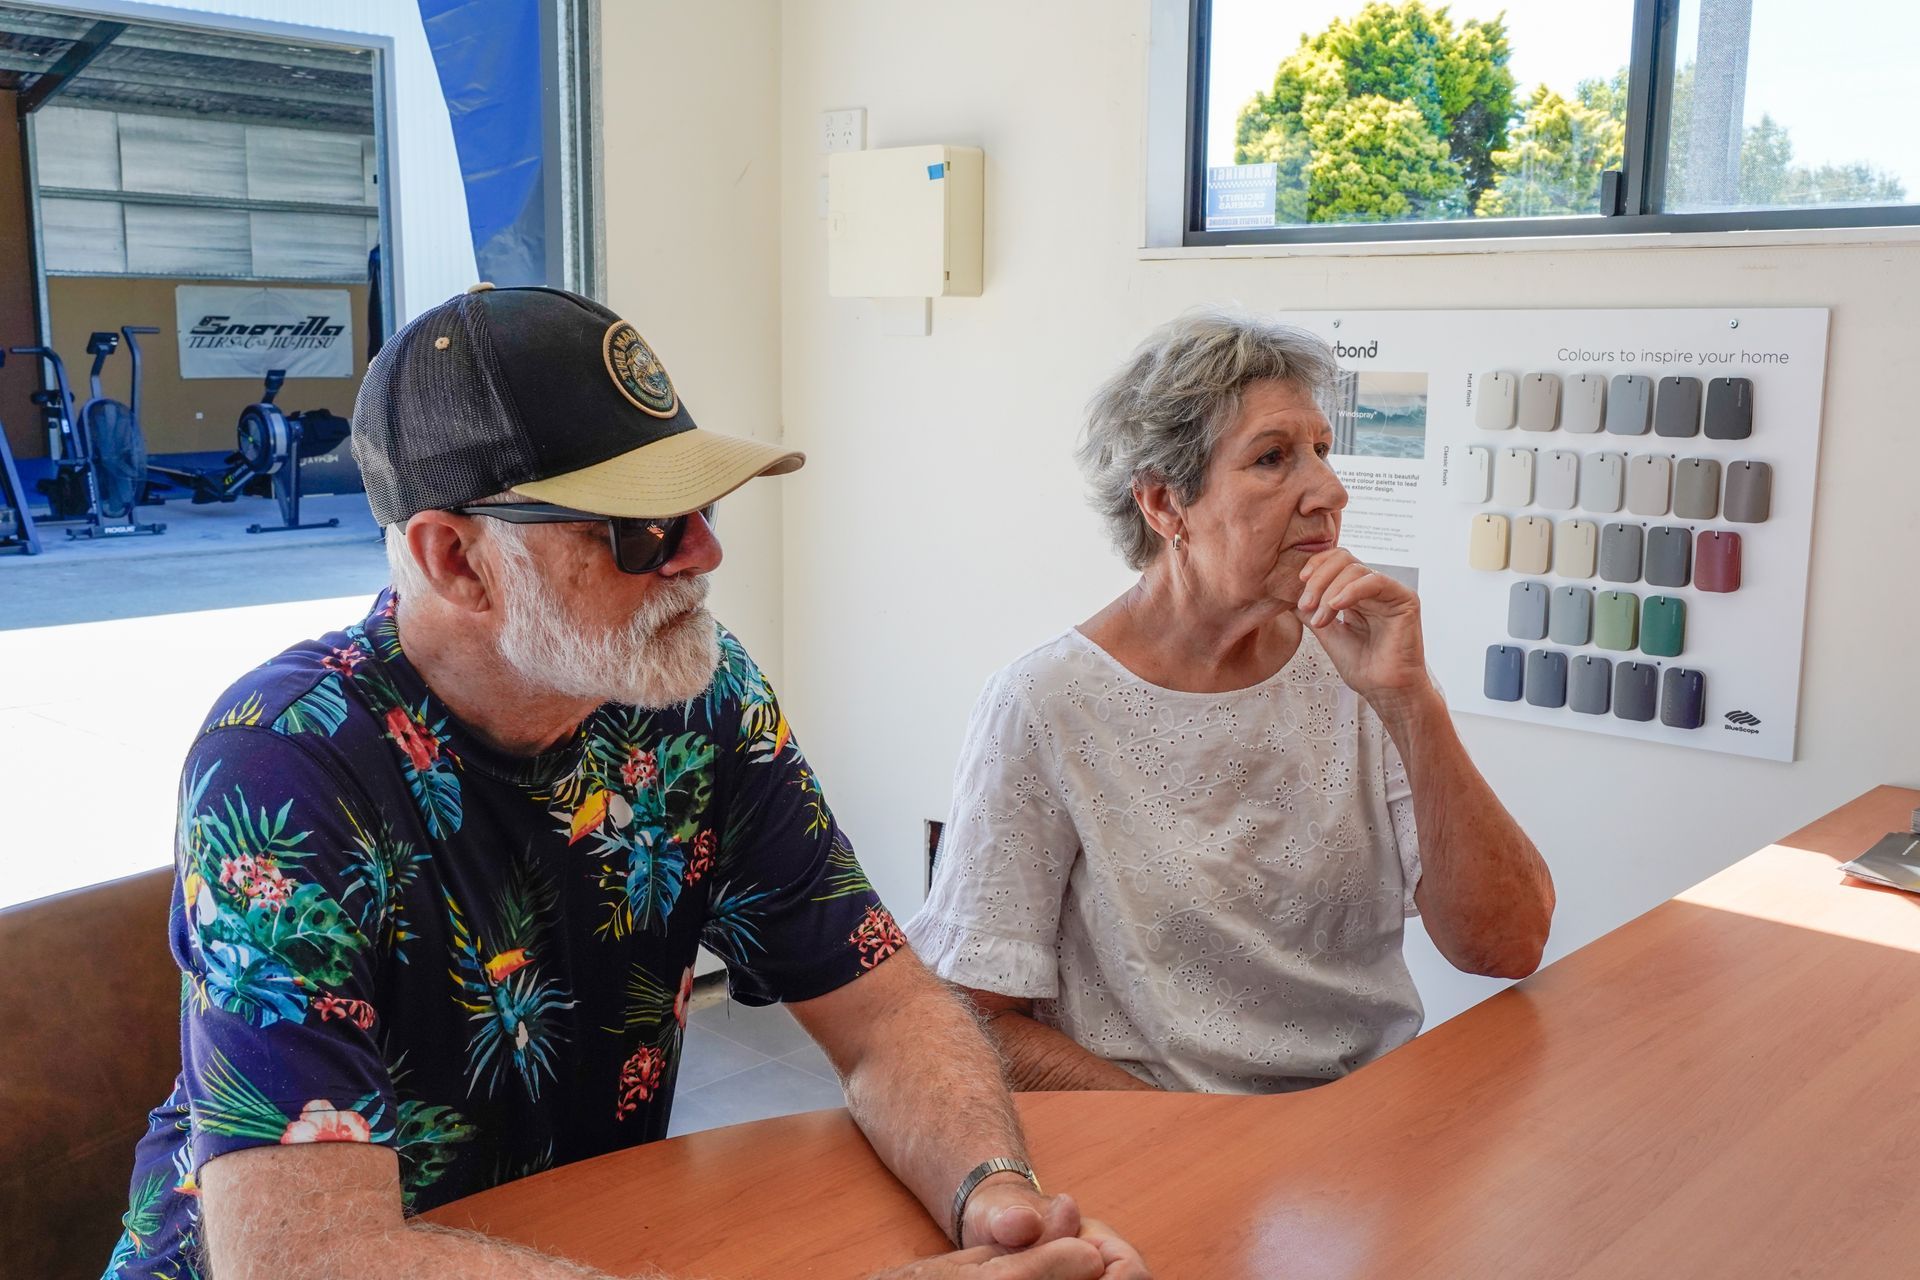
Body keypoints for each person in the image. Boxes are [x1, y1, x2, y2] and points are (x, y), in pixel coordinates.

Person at [103, 285, 1147, 1280]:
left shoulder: (698, 699)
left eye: (698, 503)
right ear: (457, 559)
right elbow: (306, 1258)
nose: (704, 551)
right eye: (639, 525)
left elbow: (885, 1013)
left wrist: (993, 1193)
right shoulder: (286, 763)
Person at [907, 311, 1556, 1095]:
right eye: (1274, 458)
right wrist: (1202, 1141)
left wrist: (1412, 702)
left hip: (1358, 1119)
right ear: (1164, 505)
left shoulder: (1354, 668)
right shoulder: (1047, 704)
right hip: (1162, 1138)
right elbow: (973, 1014)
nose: (1329, 489)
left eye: (1322, 449)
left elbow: (1507, 945)